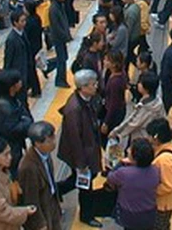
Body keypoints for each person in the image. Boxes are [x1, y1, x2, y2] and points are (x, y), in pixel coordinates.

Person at [57, 69, 103, 227]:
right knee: (85, 185)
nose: (96, 86)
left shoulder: (86, 99)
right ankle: (86, 215)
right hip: (81, 154)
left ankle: (57, 190)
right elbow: (75, 139)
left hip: (88, 148)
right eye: (93, 84)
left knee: (82, 179)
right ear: (83, 87)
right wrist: (81, 164)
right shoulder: (74, 109)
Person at [106, 138, 161, 229]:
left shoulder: (123, 173)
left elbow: (110, 177)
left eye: (130, 149)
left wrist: (121, 163)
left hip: (128, 216)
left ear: (135, 157)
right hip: (149, 215)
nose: (127, 150)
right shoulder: (155, 170)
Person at [18, 121, 63, 230]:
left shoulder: (45, 154)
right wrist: (39, 224)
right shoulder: (28, 167)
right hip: (42, 211)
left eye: (53, 138)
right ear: (37, 143)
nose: (54, 143)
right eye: (49, 141)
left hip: (52, 204)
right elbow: (31, 199)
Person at [0, 70, 34, 176]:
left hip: (16, 145)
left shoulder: (12, 100)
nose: (21, 82)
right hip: (12, 147)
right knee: (15, 171)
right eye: (18, 81)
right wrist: (27, 122)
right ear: (12, 87)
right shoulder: (4, 108)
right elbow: (12, 130)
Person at [146, 118, 172, 230]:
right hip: (167, 202)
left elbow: (168, 185)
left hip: (162, 205)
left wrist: (150, 190)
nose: (148, 138)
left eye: (149, 135)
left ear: (156, 137)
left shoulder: (164, 160)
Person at [4, 9, 36, 95]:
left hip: (25, 69)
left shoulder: (22, 32)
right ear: (15, 23)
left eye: (25, 20)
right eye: (22, 21)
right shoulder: (11, 40)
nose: (24, 23)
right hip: (18, 72)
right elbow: (8, 59)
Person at [101, 51, 129, 146]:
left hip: (114, 115)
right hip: (119, 111)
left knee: (109, 138)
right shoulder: (119, 73)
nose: (104, 61)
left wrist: (106, 122)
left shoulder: (115, 83)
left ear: (114, 64)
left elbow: (113, 104)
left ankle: (113, 154)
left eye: (107, 60)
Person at [49, 0, 72, 88]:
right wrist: (65, 36)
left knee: (63, 57)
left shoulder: (60, 5)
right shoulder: (54, 9)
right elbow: (56, 26)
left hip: (62, 36)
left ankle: (49, 66)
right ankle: (60, 80)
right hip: (58, 38)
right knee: (62, 59)